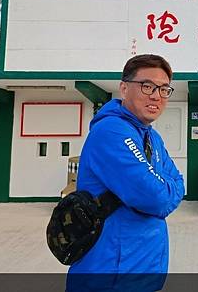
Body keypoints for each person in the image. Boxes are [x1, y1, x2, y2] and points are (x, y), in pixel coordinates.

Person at [67, 54, 185, 292]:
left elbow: (179, 183)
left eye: (164, 89)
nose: (156, 95)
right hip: (111, 275)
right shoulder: (111, 132)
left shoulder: (152, 136)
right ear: (124, 88)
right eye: (147, 86)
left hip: (142, 270)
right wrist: (163, 188)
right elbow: (156, 199)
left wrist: (163, 187)